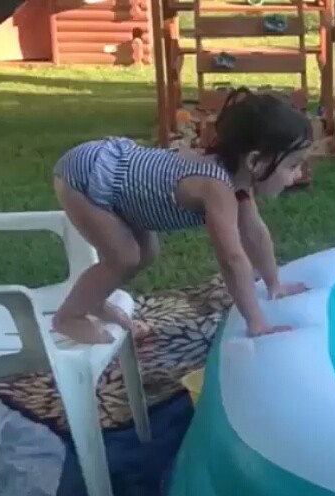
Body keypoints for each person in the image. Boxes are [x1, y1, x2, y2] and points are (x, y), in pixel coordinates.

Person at [51, 87, 312, 344]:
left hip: (123, 184)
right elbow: (232, 259)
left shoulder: (238, 183)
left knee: (146, 253)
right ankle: (69, 317)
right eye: (293, 165)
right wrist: (257, 324)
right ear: (254, 162)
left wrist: (274, 284)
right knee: (125, 256)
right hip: (88, 175)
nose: (299, 174)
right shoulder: (216, 187)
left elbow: (254, 232)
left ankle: (93, 300)